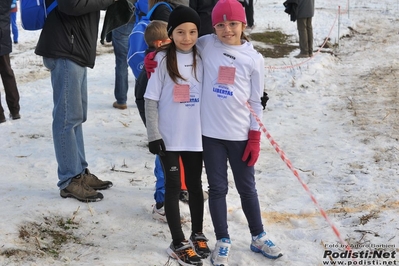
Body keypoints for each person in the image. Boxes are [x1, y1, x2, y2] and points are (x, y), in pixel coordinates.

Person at [197, 0, 283, 264]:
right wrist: (155, 58)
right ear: (213, 27)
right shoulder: (205, 44)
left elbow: (256, 101)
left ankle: (258, 236)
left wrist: (255, 136)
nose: (227, 30)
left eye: (233, 23)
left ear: (243, 24)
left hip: (240, 135)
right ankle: (222, 239)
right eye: (220, 25)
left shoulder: (254, 59)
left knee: (248, 189)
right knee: (217, 189)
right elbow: (178, 47)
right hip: (210, 135)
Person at [144, 6, 210, 265]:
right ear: (170, 33)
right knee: (173, 188)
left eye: (193, 32)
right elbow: (150, 100)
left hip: (195, 136)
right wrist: (153, 135)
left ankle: (197, 233)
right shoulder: (163, 60)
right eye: (180, 32)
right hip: (169, 137)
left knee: (194, 186)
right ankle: (178, 240)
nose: (187, 37)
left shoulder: (202, 57)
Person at [35, 0, 114, 202]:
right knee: (66, 118)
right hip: (65, 49)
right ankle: (69, 179)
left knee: (77, 116)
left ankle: (79, 172)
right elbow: (70, 5)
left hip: (75, 49)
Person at [135, 20, 171, 222]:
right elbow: (145, 99)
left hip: (163, 116)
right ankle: (161, 202)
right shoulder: (154, 64)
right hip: (155, 118)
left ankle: (173, 193)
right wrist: (153, 128)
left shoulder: (158, 57)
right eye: (170, 39)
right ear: (159, 43)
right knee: (163, 157)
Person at [0, 0, 20, 124]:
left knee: (7, 73)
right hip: (3, 33)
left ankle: (1, 116)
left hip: (3, 33)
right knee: (7, 73)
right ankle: (14, 110)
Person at [111, 21, 135, 110]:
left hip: (122, 22)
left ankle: (121, 101)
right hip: (141, 21)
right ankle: (143, 99)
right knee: (140, 61)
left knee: (122, 62)